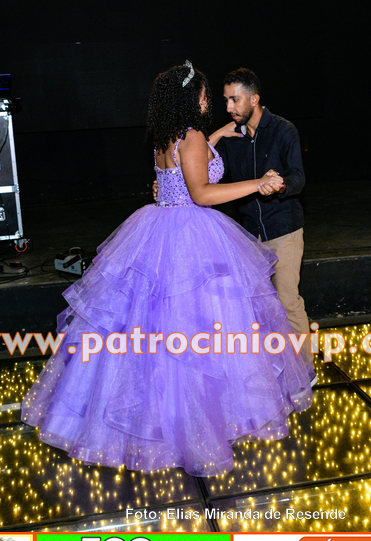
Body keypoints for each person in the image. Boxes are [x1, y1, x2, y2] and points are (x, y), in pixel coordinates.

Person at [21, 62, 314, 477]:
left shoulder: (166, 136)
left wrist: (216, 136)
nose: (210, 102)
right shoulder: (190, 135)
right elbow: (202, 193)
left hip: (158, 228)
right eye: (206, 95)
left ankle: (152, 420)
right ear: (192, 98)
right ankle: (195, 426)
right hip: (189, 237)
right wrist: (257, 183)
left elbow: (178, 175)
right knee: (200, 334)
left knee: (153, 333)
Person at [213, 68, 312, 363]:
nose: (228, 107)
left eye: (235, 99)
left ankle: (305, 370)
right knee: (255, 308)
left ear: (254, 99)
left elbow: (298, 178)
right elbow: (207, 172)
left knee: (287, 302)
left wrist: (279, 185)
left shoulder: (283, 130)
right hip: (249, 235)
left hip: (283, 230)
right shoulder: (231, 135)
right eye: (226, 100)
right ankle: (272, 367)